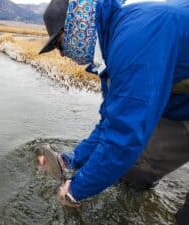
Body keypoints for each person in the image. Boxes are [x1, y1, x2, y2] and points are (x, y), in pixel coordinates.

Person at [38, 0, 189, 224]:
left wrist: (76, 190)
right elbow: (110, 123)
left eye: (58, 44)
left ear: (74, 27)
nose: (60, 54)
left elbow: (124, 137)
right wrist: (69, 161)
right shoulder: (112, 49)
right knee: (133, 173)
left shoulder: (135, 39)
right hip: (180, 107)